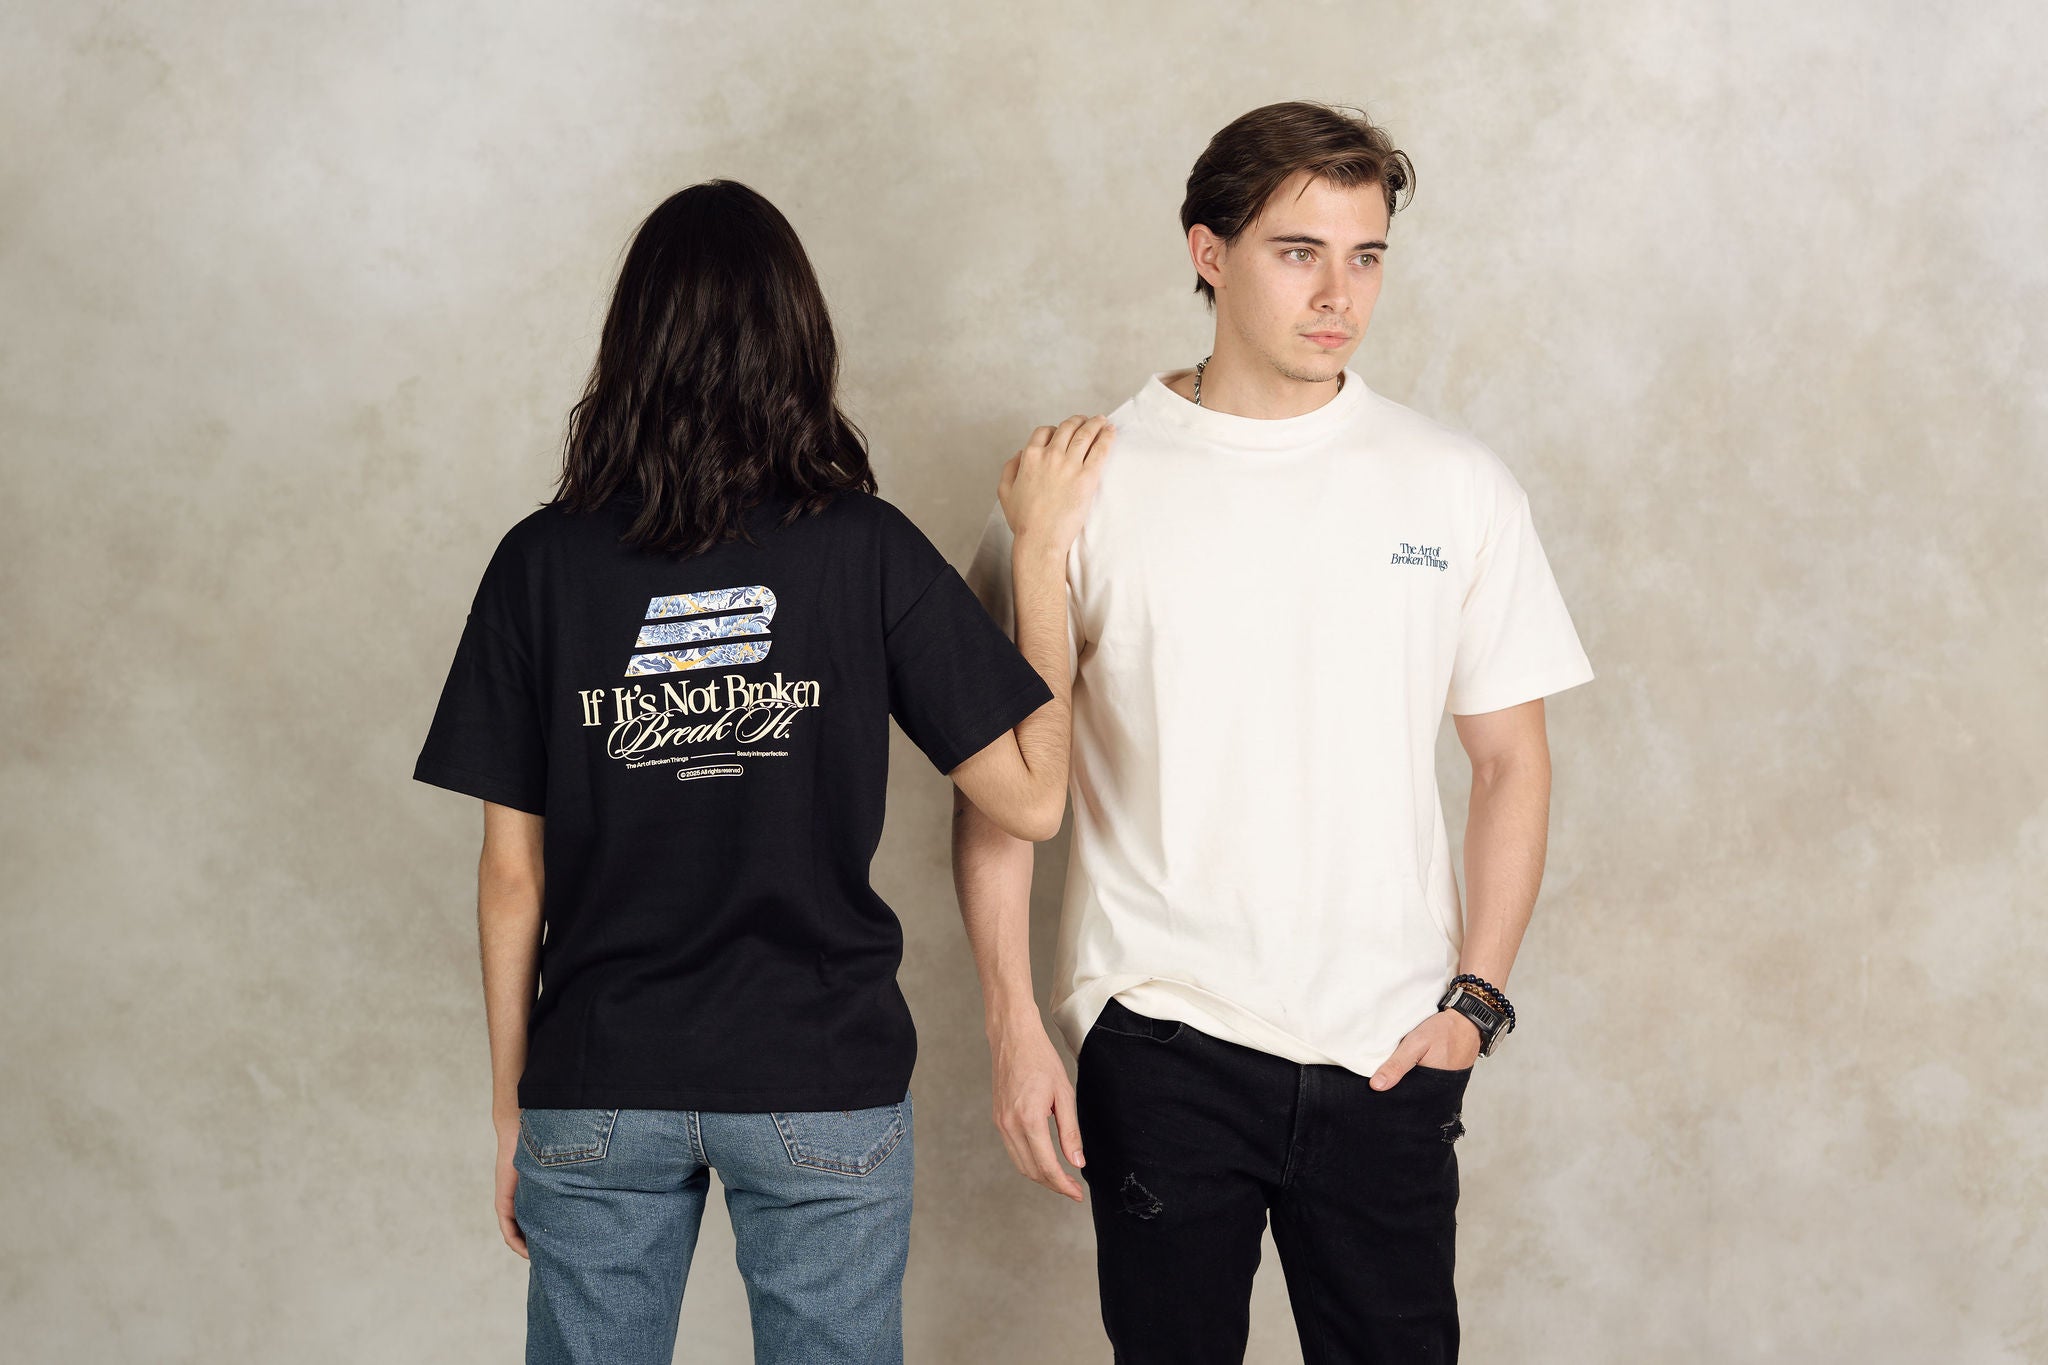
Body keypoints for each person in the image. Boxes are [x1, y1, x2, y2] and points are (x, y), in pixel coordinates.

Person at [411, 179, 1110, 1365]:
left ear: (630, 345)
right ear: (800, 339)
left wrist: (511, 1107)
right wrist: (1039, 556)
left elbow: (510, 877)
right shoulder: (864, 548)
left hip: (597, 1080)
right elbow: (1032, 798)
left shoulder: (539, 563)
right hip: (816, 1070)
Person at [953, 102, 1595, 1363]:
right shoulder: (1078, 491)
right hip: (1163, 1036)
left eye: (1365, 257)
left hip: (1390, 1047)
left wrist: (1473, 1003)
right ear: (1208, 252)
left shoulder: (1452, 484)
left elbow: (1509, 761)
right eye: (1298, 252)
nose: (1337, 295)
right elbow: (1000, 797)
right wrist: (1012, 1024)